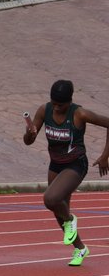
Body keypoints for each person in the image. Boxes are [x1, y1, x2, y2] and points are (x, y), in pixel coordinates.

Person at [23, 79, 109, 266]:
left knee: (50, 199)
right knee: (58, 210)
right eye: (53, 103)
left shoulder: (79, 113)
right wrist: (29, 133)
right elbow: (28, 141)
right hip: (56, 165)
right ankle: (80, 249)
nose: (56, 108)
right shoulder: (44, 110)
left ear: (69, 102)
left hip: (76, 164)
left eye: (60, 105)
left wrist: (105, 156)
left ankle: (71, 219)